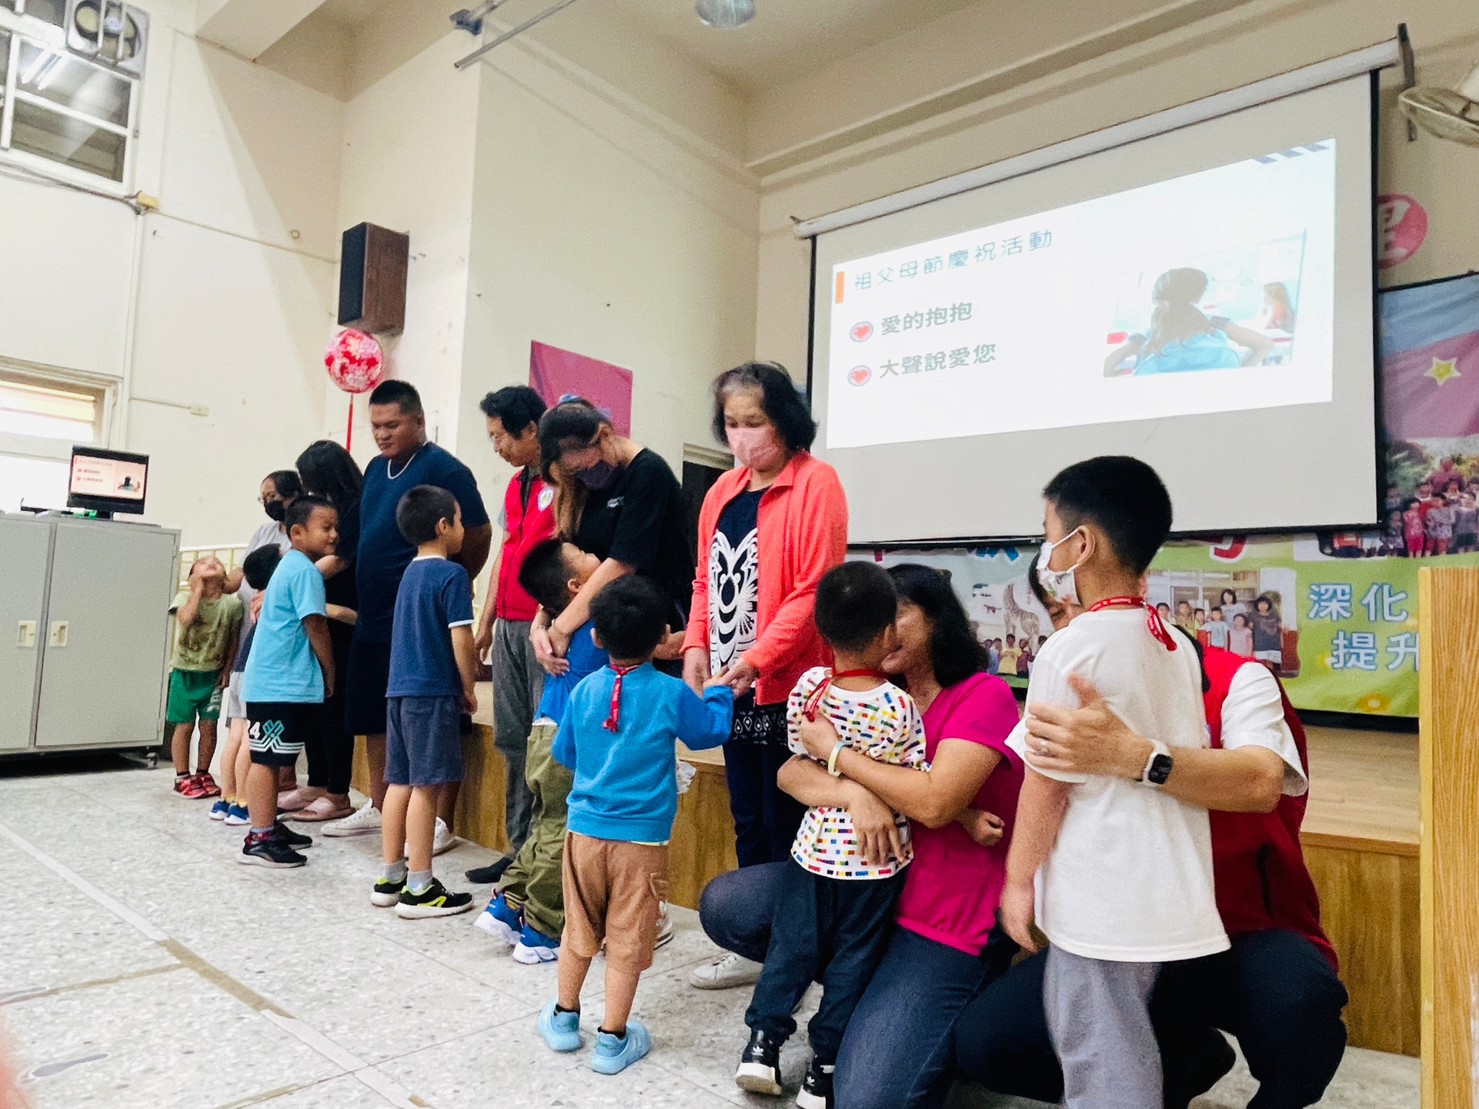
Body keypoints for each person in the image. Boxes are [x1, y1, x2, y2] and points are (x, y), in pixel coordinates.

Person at [954, 558, 1347, 1109]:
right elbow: (1026, 784)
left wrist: (1137, 757)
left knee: (1301, 1007)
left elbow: (1260, 782)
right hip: (1122, 928)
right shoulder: (1071, 686)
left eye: (1085, 605)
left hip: (1239, 927)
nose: (1078, 626)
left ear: (1138, 587)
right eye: (1060, 614)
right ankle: (1186, 1063)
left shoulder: (1236, 678)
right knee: (989, 1042)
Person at [700, 563, 1023, 1109]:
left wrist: (837, 756)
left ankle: (943, 1014)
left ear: (937, 619)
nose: (881, 627)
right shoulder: (863, 691)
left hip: (940, 919)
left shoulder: (982, 694)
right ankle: (862, 998)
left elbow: (936, 802)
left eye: (895, 612)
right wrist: (856, 795)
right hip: (855, 880)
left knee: (868, 1098)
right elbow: (790, 774)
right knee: (728, 904)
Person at [999, 456, 1226, 1108]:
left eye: (1049, 534)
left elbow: (1045, 784)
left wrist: (1018, 880)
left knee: (1101, 1058)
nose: (1045, 550)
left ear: (1082, 544)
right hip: (1159, 886)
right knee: (1122, 1043)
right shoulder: (1172, 642)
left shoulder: (1069, 648)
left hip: (1100, 894)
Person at [683, 362, 850, 988]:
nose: (741, 435)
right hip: (731, 690)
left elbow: (813, 590)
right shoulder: (721, 492)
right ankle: (754, 944)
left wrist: (757, 660)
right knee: (748, 816)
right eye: (731, 423)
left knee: (791, 823)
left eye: (753, 421)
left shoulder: (816, 483)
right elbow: (704, 581)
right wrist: (696, 642)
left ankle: (797, 955)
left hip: (788, 687)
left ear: (783, 420)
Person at [736, 563, 925, 1106]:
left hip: (812, 853)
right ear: (888, 635)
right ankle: (823, 1070)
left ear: (821, 632)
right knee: (853, 963)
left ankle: (762, 1045)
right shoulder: (899, 706)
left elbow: (801, 759)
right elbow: (914, 780)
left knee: (791, 949)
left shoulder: (810, 689)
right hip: (876, 863)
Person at [537, 576, 734, 1075]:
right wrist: (719, 693)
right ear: (664, 636)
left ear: (595, 636)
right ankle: (612, 1039)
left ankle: (563, 1018)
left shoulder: (583, 689)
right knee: (627, 938)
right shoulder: (670, 692)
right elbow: (710, 731)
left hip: (583, 834)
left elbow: (565, 753)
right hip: (642, 841)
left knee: (578, 927)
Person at [325, 380, 491, 847]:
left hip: (421, 623)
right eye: (376, 426)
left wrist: (453, 577)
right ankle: (382, 806)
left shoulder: (444, 468)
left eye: (392, 424)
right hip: (374, 617)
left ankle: (438, 821)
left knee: (435, 718)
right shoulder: (375, 469)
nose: (382, 434)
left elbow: (478, 531)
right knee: (375, 715)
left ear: (418, 421)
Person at [475, 537, 605, 964]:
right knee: (559, 832)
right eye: (585, 555)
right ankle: (543, 931)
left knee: (545, 824)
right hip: (567, 738)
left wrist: (543, 616)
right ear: (575, 585)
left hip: (544, 730)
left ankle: (508, 904)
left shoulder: (559, 619)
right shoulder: (596, 614)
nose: (594, 554)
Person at [371, 486, 480, 919]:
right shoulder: (452, 576)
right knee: (426, 785)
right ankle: (419, 886)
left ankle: (390, 876)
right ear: (443, 526)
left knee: (398, 782)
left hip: (398, 691)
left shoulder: (409, 575)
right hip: (431, 692)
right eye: (459, 520)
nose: (463, 528)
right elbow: (461, 637)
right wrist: (468, 685)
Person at [532, 399, 693, 676]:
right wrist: (541, 624)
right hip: (603, 626)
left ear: (605, 435)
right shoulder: (583, 488)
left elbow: (622, 563)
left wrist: (561, 628)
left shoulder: (648, 473)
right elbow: (567, 564)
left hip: (656, 625)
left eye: (585, 468)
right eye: (575, 473)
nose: (585, 477)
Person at [470, 386, 556, 881]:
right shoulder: (513, 485)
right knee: (512, 738)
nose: (497, 447)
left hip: (546, 626)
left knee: (545, 741)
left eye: (501, 436)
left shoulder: (564, 480)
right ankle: (517, 847)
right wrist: (487, 621)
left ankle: (545, 851)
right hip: (507, 623)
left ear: (531, 430)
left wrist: (550, 616)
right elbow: (506, 553)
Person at [238, 497, 339, 868]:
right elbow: (316, 624)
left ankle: (267, 826)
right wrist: (330, 671)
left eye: (336, 527)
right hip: (277, 686)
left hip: (278, 684)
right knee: (266, 760)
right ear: (297, 533)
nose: (334, 535)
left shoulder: (292, 567)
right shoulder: (303, 571)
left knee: (275, 759)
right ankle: (259, 838)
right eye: (325, 528)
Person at [287, 440, 364, 823]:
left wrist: (291, 583)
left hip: (341, 616)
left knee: (334, 706)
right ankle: (316, 781)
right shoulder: (326, 510)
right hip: (319, 609)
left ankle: (337, 790)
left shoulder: (356, 510)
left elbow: (342, 559)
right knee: (314, 703)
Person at [211, 546, 282, 823]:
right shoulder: (272, 600)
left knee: (234, 738)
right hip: (254, 672)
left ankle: (225, 798)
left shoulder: (256, 600)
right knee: (248, 741)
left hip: (240, 669)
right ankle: (243, 801)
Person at [167, 556, 243, 799]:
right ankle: (182, 776)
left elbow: (233, 639)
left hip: (213, 675)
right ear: (192, 575)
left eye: (217, 562)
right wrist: (197, 590)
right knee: (185, 725)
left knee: (209, 726)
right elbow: (186, 619)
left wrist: (227, 669)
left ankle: (202, 773)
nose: (211, 562)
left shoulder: (232, 605)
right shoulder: (184, 599)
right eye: (202, 563)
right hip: (185, 673)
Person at [1105, 268, 1275, 376]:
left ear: (1157, 299)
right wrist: (1236, 372)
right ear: (1197, 297)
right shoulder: (1215, 326)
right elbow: (1265, 345)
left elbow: (1104, 369)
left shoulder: (1147, 337)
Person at [226, 470, 301, 608]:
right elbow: (241, 570)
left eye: (272, 496)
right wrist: (221, 585)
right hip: (248, 608)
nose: (268, 502)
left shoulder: (305, 533)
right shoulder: (264, 530)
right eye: (264, 499)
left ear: (293, 495)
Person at [1250, 596, 1283, 667]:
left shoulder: (1274, 615)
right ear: (1257, 605)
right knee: (1260, 663)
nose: (1263, 605)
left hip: (1273, 643)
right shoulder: (1253, 615)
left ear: (1268, 605)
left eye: (1265, 603)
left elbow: (1280, 626)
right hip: (1259, 644)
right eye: (1260, 604)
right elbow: (1250, 628)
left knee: (1270, 663)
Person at [1425, 492, 1456, 557]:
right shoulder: (1430, 511)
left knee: (1443, 547)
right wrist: (1430, 523)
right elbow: (1429, 521)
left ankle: (1442, 558)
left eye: (1437, 500)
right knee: (1429, 546)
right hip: (1433, 532)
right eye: (1433, 501)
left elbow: (1452, 520)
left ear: (1443, 501)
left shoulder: (1448, 510)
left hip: (1444, 531)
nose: (1435, 502)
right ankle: (1426, 558)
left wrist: (1441, 521)